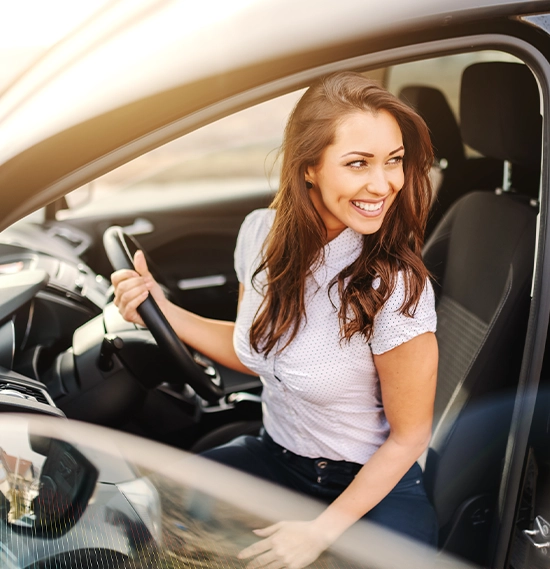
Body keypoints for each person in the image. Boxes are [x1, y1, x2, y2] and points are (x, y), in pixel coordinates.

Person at [111, 71, 439, 568]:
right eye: (358, 164)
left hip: (370, 488)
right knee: (138, 519)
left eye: (394, 161)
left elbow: (409, 436)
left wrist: (318, 533)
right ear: (309, 167)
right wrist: (161, 307)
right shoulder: (260, 235)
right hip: (274, 457)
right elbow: (253, 348)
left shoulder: (393, 287)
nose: (384, 183)